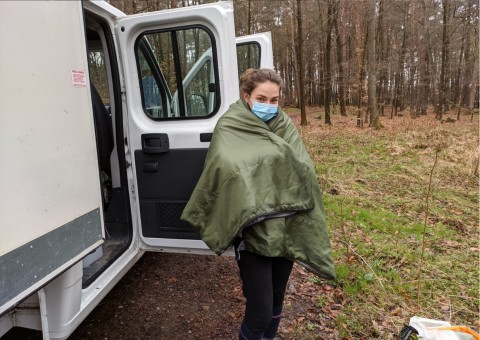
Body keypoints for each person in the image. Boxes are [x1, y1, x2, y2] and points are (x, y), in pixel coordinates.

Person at [181, 69, 335, 340]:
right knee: (260, 310)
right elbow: (224, 167)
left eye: (274, 100)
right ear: (247, 97)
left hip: (287, 227)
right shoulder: (231, 124)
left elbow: (303, 168)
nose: (269, 105)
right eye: (262, 98)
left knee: (277, 302)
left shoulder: (284, 124)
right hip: (253, 233)